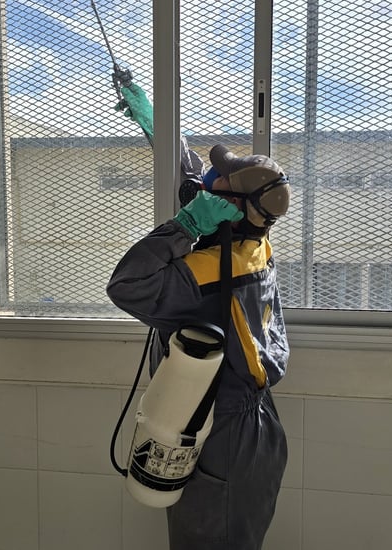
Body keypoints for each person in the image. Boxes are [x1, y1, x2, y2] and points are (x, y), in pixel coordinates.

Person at [106, 143, 291, 550]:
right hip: (254, 426)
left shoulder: (209, 273)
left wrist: (185, 225)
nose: (207, 180)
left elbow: (126, 285)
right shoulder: (255, 247)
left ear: (230, 206)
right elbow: (202, 182)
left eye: (218, 178)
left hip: (221, 433)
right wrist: (166, 138)